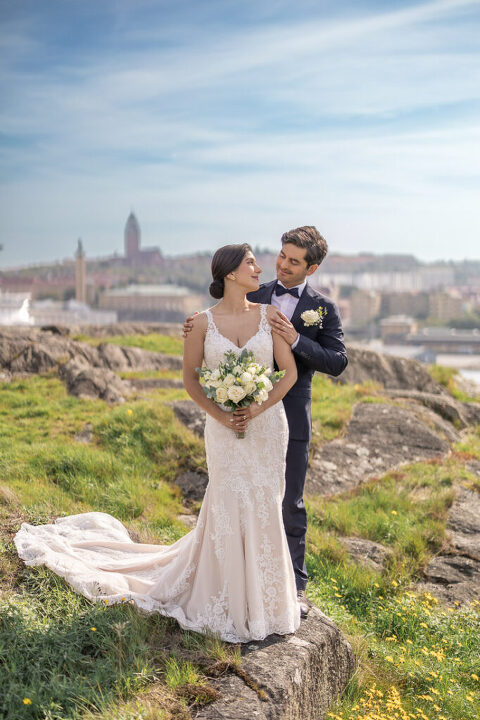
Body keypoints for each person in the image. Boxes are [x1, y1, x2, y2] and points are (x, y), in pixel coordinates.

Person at [14, 243, 301, 644]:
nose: (260, 267)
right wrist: (221, 414)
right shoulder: (200, 324)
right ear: (230, 273)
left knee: (265, 502)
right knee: (229, 502)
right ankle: (227, 600)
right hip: (221, 428)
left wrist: (256, 409)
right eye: (251, 262)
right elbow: (190, 380)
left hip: (267, 426)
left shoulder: (272, 317)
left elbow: (287, 374)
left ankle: (266, 603)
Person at [184, 227, 347, 618]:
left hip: (287, 412)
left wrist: (295, 339)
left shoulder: (323, 308)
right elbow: (218, 323)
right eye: (282, 256)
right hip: (234, 409)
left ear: (313, 267)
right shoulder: (253, 291)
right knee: (237, 496)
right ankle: (235, 583)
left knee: (289, 499)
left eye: (294, 261)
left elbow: (337, 361)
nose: (282, 265)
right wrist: (193, 329)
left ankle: (292, 585)